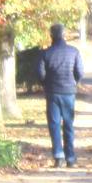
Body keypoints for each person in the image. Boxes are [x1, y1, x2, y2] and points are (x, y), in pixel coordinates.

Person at [36, 24, 83, 167]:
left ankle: (58, 157)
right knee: (68, 124)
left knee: (54, 124)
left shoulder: (45, 54)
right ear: (64, 35)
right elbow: (79, 72)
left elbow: (40, 74)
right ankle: (71, 157)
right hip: (69, 92)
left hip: (52, 92)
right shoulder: (74, 52)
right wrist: (74, 82)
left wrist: (46, 84)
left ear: (51, 36)